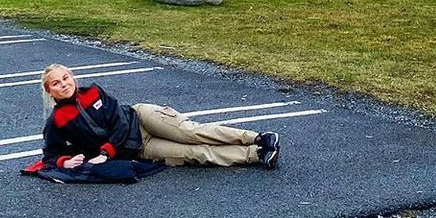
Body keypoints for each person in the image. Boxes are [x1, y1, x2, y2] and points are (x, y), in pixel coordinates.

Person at [39, 64, 281, 171]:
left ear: (73, 77)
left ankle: (259, 138)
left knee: (192, 133)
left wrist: (105, 153)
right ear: (49, 91)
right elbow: (50, 154)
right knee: (193, 154)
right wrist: (63, 162)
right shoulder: (57, 121)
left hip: (141, 118)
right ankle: (256, 155)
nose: (63, 84)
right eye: (56, 83)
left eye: (66, 78)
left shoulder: (93, 91)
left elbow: (120, 121)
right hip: (138, 149)